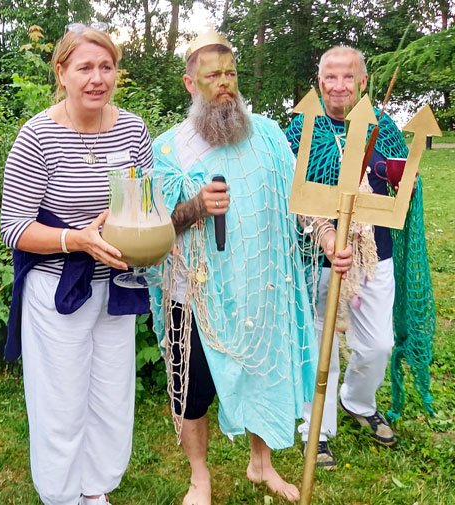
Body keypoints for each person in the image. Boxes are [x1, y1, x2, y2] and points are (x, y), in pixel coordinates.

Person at [148, 32, 353, 503]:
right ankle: (199, 477)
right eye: (212, 75)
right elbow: (155, 227)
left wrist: (326, 238)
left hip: (259, 285)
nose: (225, 83)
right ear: (190, 83)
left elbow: (300, 201)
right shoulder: (168, 149)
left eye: (231, 73)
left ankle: (261, 464)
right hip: (193, 293)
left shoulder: (268, 135)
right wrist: (196, 207)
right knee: (191, 390)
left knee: (263, 372)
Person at [0, 23, 153, 505]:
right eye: (85, 67)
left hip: (117, 285)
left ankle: (95, 490)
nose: (97, 78)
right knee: (60, 404)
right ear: (61, 72)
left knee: (111, 398)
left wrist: (142, 228)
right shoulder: (37, 136)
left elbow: (146, 204)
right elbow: (15, 227)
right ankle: (61, 496)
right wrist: (77, 240)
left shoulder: (133, 130)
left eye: (106, 67)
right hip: (57, 289)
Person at [284, 46, 436, 469]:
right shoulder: (302, 130)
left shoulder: (383, 129)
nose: (338, 86)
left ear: (363, 82)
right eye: (329, 77)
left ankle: (357, 400)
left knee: (377, 345)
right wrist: (325, 235)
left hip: (374, 254)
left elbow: (398, 179)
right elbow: (291, 192)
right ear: (319, 82)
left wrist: (402, 180)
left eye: (347, 77)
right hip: (316, 257)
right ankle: (316, 428)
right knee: (320, 345)